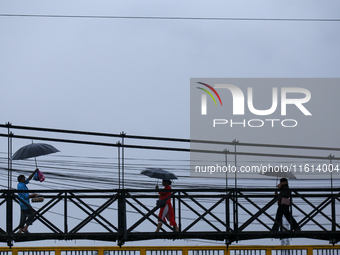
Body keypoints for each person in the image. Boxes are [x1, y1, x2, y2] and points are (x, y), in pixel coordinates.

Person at [17, 169, 39, 234]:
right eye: (24, 178)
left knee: (23, 217)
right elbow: (25, 195)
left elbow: (29, 179)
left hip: (22, 204)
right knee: (32, 214)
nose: (25, 179)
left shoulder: (21, 184)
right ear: (21, 179)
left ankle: (20, 230)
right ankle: (25, 228)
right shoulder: (21, 186)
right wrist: (33, 195)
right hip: (25, 203)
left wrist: (34, 172)